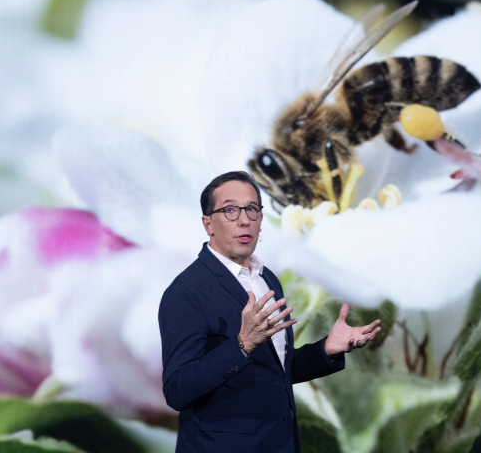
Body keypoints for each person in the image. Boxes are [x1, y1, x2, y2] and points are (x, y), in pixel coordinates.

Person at [158, 171, 381, 453]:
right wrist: (242, 345)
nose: (244, 220)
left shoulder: (266, 279)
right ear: (208, 224)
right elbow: (177, 390)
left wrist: (326, 349)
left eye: (252, 209)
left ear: (261, 219)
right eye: (230, 210)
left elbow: (275, 372)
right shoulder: (185, 291)